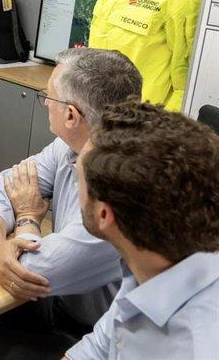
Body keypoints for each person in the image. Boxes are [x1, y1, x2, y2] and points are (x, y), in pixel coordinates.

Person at [0, 48, 142, 359]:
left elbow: (29, 274)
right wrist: (2, 253)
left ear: (71, 115)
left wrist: (27, 217)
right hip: (59, 299)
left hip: (88, 332)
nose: (44, 104)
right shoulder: (69, 145)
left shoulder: (116, 197)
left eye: (48, 97)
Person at [66, 102, 219, 359]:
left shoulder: (191, 348)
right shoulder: (153, 261)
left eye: (76, 175)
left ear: (105, 214)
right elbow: (97, 347)